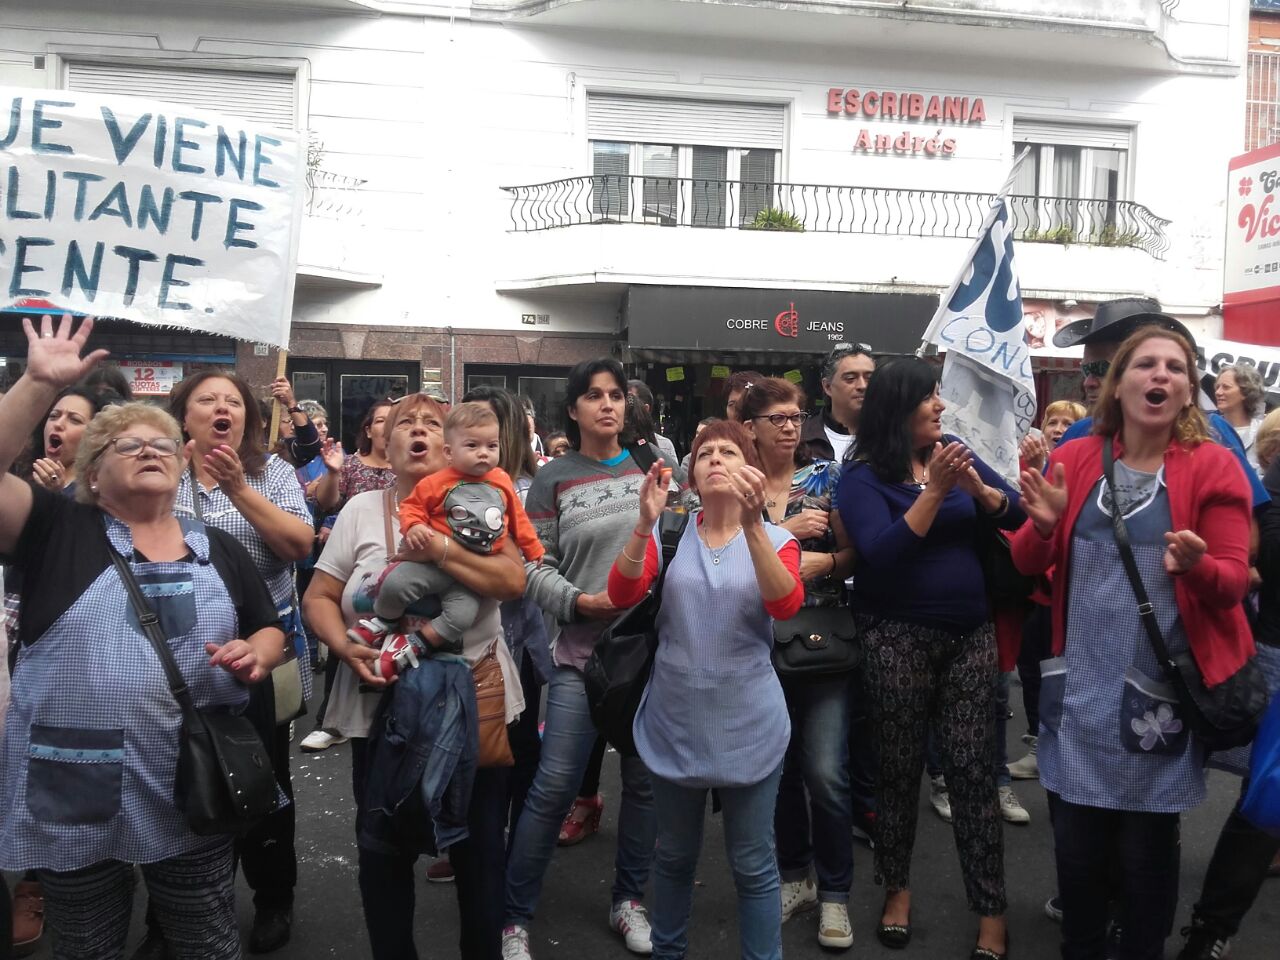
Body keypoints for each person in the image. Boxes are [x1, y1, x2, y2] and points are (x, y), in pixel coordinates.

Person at [0, 316, 285, 960]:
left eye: (162, 444)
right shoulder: (55, 529)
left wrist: (259, 654)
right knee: (86, 942)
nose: (150, 450)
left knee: (204, 937)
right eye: (127, 445)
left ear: (182, 464)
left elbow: (268, 627)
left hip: (190, 777)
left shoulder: (218, 546)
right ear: (92, 473)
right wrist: (37, 383)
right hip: (70, 780)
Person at [1012, 327, 1255, 960]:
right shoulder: (1077, 455)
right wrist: (1044, 527)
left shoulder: (1213, 465)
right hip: (1079, 693)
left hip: (1158, 698)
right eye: (1146, 364)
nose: (1161, 374)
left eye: (1176, 367)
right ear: (1118, 384)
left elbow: (1233, 583)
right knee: (1077, 854)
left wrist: (1198, 567)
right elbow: (1027, 562)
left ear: (1188, 390)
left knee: (1145, 858)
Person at [301, 392, 526, 960]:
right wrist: (343, 647)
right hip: (379, 703)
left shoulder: (485, 496)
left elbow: (512, 581)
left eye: (432, 422)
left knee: (479, 852)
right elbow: (319, 596)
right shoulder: (360, 510)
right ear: (385, 439)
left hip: (472, 701)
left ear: (450, 445)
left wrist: (442, 549)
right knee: (384, 851)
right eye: (406, 423)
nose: (418, 430)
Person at [837, 357, 1022, 960]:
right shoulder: (862, 476)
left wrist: (981, 492)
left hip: (970, 635)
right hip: (896, 636)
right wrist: (937, 491)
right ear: (899, 408)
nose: (941, 406)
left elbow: (1017, 511)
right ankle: (896, 889)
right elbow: (881, 554)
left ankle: (991, 909)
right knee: (898, 770)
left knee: (972, 772)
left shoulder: (952, 452)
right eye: (928, 397)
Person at [608, 419, 804, 960]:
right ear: (691, 474)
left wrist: (754, 525)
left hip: (750, 727)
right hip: (675, 722)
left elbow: (785, 604)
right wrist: (643, 523)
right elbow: (622, 593)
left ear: (751, 470)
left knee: (753, 864)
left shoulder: (780, 540)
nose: (715, 458)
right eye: (705, 453)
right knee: (673, 857)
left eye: (729, 452)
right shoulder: (669, 534)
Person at [503, 359, 657, 960]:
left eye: (615, 394)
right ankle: (514, 916)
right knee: (554, 786)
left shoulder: (651, 466)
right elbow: (530, 567)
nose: (607, 404)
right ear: (573, 409)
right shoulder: (553, 479)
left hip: (645, 656)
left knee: (642, 785)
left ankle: (629, 900)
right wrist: (578, 601)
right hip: (579, 654)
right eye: (593, 396)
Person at [167, 370, 314, 954]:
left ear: (249, 418)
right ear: (185, 416)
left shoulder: (269, 472)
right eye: (206, 400)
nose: (221, 408)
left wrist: (236, 490)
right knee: (178, 775)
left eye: (233, 401)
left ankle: (273, 895)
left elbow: (299, 545)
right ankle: (179, 908)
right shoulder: (166, 472)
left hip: (262, 655)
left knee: (261, 775)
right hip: (175, 660)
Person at [738, 378, 857, 948]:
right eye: (777, 418)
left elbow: (856, 553)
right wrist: (784, 534)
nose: (789, 426)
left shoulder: (829, 478)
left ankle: (835, 893)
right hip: (756, 642)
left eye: (795, 416)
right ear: (750, 428)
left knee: (826, 773)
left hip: (821, 641)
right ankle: (796, 877)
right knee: (778, 771)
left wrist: (825, 563)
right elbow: (715, 551)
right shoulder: (736, 483)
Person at [352, 402, 544, 666]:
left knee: (460, 617)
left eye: (492, 446)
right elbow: (412, 507)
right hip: (433, 568)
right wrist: (414, 526)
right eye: (472, 446)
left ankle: (415, 644)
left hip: (473, 574)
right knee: (395, 584)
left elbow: (518, 519)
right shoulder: (436, 483)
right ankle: (383, 621)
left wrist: (533, 549)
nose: (483, 453)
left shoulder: (500, 480)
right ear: (449, 451)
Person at [1053, 298, 1269, 513]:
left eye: (1101, 369)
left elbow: (1253, 522)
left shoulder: (1212, 432)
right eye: (1086, 370)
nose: (1088, 382)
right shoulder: (1077, 436)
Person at [314, 399, 395, 513]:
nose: (387, 426)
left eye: (393, 421)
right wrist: (333, 472)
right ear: (368, 431)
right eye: (380, 421)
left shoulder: (409, 469)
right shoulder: (350, 464)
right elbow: (325, 504)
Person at [800, 342, 875, 463]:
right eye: (850, 378)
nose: (862, 386)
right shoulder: (801, 436)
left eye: (869, 378)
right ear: (827, 387)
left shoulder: (892, 438)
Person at [1215, 363, 1267, 477]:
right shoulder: (1208, 429)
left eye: (1226, 387)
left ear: (1245, 392)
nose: (1218, 392)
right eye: (1217, 387)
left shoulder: (1264, 432)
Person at [266, 377, 322, 468]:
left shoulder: (286, 448)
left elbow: (311, 447)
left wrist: (291, 404)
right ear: (266, 422)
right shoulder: (250, 448)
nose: (292, 427)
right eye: (287, 421)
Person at [627, 380, 679, 464]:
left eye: (630, 402)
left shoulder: (664, 445)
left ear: (645, 409)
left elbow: (673, 472)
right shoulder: (611, 443)